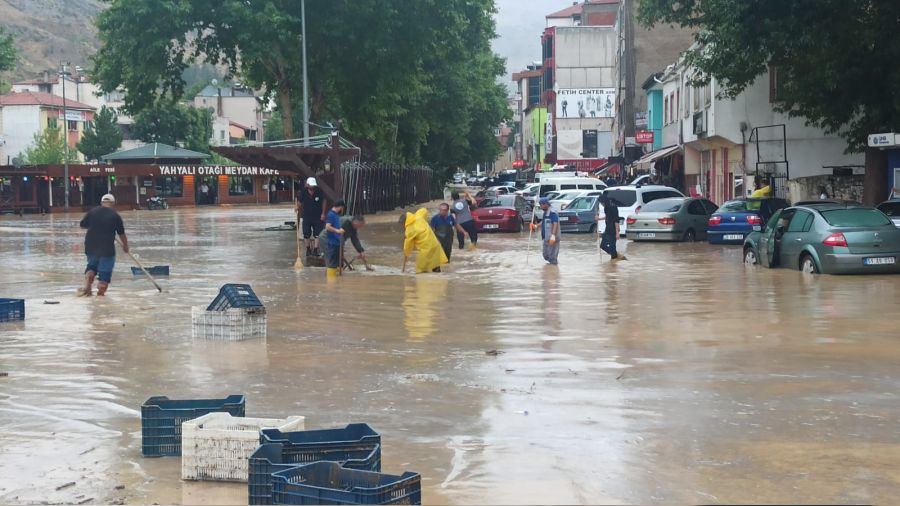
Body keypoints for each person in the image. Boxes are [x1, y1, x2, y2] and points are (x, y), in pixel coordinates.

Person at [78, 193, 128, 296]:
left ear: (101, 203)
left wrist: (95, 226)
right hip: (107, 248)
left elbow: (82, 225)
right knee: (105, 273)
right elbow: (121, 233)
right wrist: (125, 245)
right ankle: (100, 299)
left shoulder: (92, 211)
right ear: (113, 204)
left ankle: (88, 281)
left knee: (92, 266)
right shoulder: (115, 216)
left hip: (91, 246)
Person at [403, 208, 448, 273]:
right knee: (436, 267)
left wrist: (406, 252)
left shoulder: (409, 230)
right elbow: (424, 210)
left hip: (425, 250)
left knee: (420, 271)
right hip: (435, 245)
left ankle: (426, 281)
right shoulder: (418, 216)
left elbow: (408, 246)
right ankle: (439, 281)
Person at [296, 177, 327, 257]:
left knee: (318, 233)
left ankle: (316, 250)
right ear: (307, 185)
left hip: (317, 216)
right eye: (311, 185)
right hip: (306, 216)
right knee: (306, 233)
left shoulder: (319, 191)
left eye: (314, 185)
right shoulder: (303, 192)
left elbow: (324, 201)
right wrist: (297, 207)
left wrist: (323, 213)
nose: (313, 187)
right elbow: (299, 202)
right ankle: (308, 249)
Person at [532, 197, 560, 265]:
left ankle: (553, 270)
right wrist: (536, 226)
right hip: (546, 238)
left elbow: (555, 224)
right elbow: (543, 221)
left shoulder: (552, 212)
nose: (541, 207)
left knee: (552, 257)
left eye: (541, 205)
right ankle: (551, 267)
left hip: (552, 238)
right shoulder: (545, 212)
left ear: (546, 204)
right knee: (545, 255)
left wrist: (553, 236)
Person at [598, 194, 625, 261]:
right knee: (602, 246)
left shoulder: (613, 207)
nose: (601, 204)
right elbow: (607, 216)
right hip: (607, 229)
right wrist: (599, 218)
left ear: (604, 201)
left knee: (612, 247)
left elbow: (616, 220)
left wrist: (617, 233)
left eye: (602, 203)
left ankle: (614, 260)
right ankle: (617, 256)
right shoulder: (606, 207)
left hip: (613, 230)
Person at [323, 199, 347, 277]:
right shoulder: (331, 215)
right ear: (340, 207)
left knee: (335, 262)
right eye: (342, 208)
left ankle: (336, 283)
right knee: (332, 263)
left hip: (337, 242)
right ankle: (331, 282)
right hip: (332, 242)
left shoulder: (336, 215)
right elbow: (327, 227)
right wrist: (337, 231)